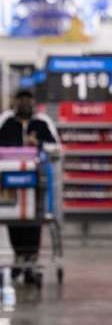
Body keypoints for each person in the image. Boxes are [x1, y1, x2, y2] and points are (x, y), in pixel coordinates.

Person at [0, 89, 59, 283]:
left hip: (36, 183)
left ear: (33, 101)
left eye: (28, 99)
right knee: (13, 219)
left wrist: (38, 143)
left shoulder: (42, 123)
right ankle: (19, 258)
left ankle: (31, 260)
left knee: (34, 220)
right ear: (15, 101)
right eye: (21, 99)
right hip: (11, 182)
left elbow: (56, 148)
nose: (24, 103)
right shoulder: (6, 122)